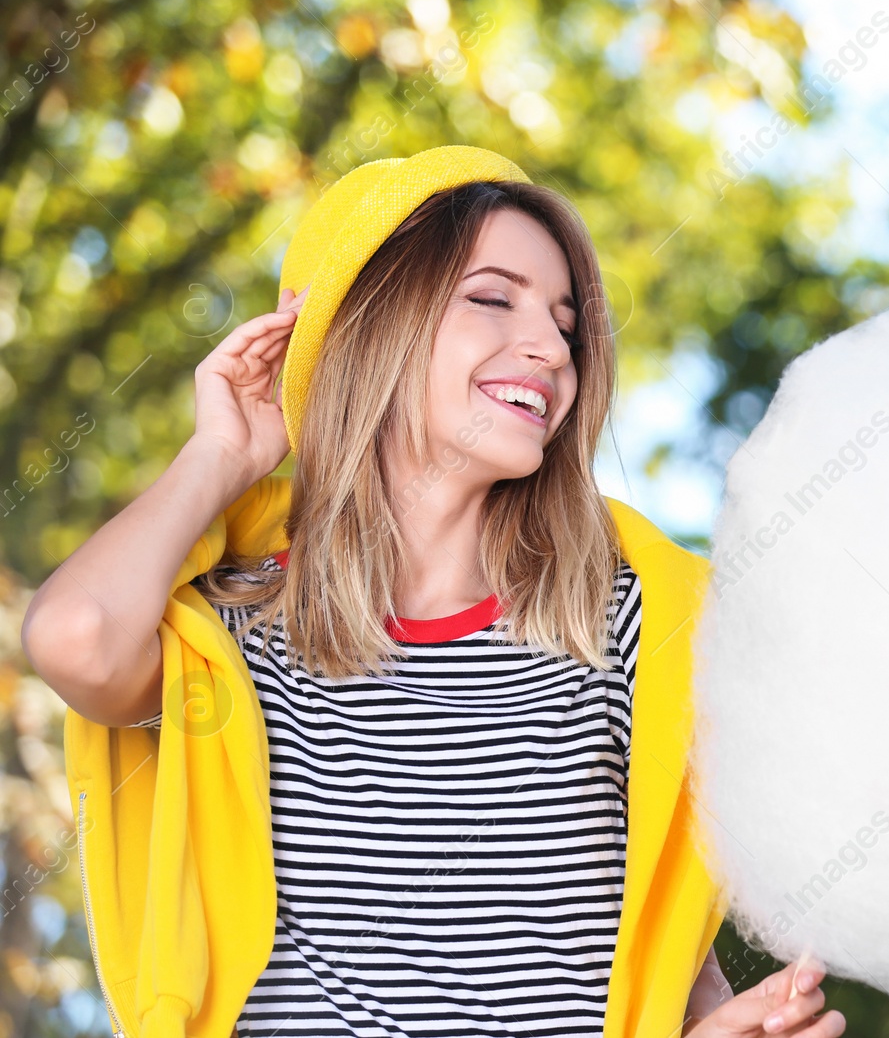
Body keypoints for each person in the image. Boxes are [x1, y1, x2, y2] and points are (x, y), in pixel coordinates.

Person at [22, 145, 845, 1038]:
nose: (549, 347)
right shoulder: (235, 628)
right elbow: (75, 638)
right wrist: (219, 456)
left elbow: (665, 951)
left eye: (566, 323)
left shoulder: (630, 626)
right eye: (493, 298)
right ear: (366, 326)